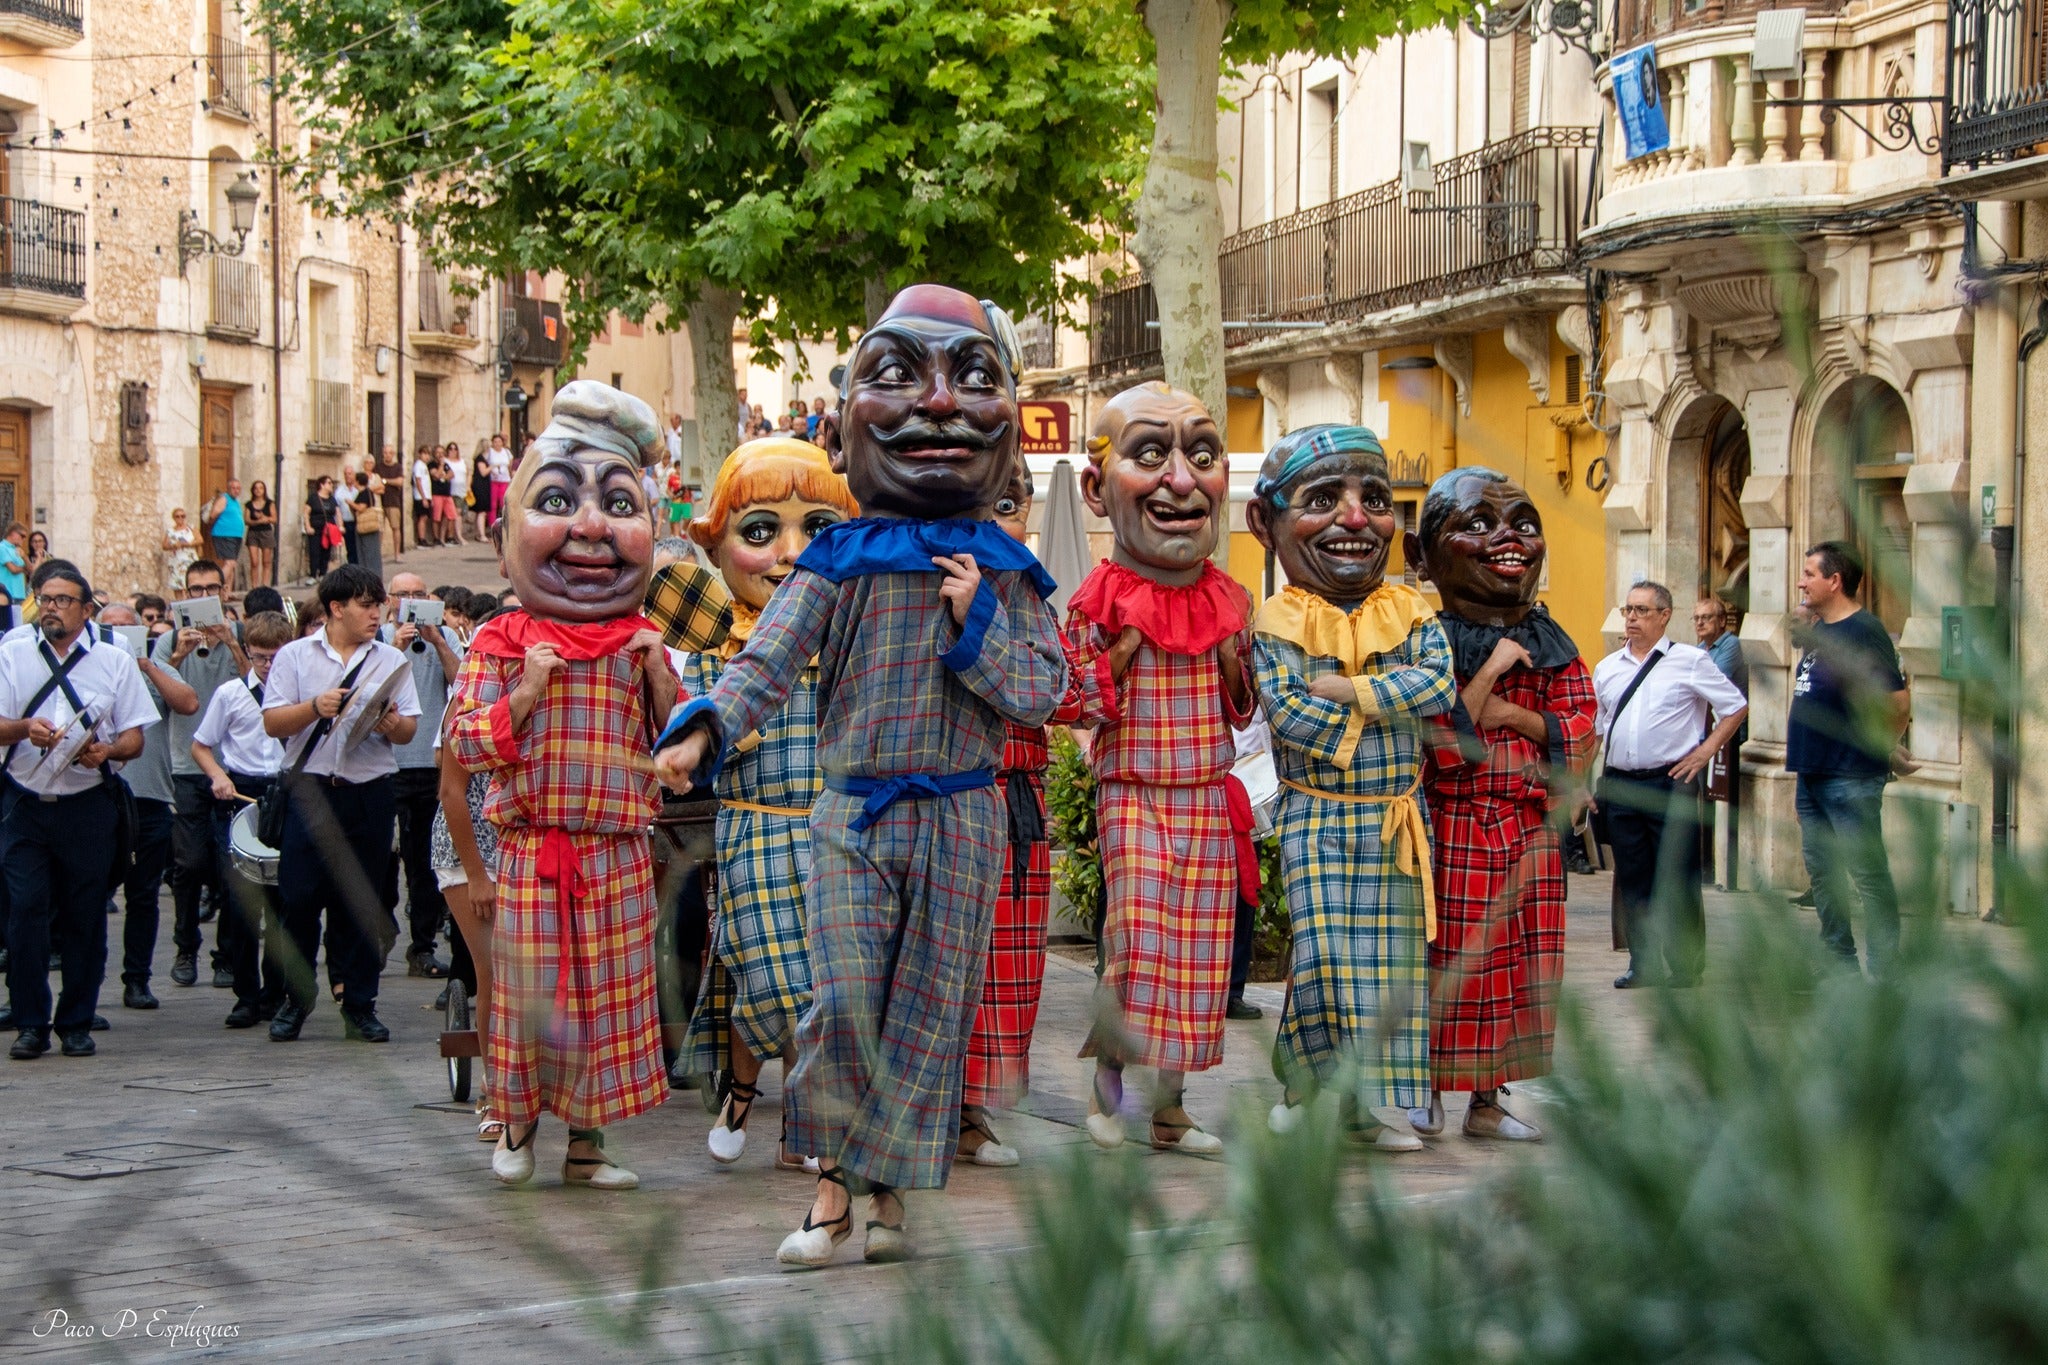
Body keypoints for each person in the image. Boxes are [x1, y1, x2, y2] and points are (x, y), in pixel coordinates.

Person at [655, 287, 1067, 1267]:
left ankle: (886, 1196)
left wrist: (979, 626)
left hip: (962, 817)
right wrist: (699, 732)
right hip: (851, 812)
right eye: (894, 375)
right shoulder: (837, 557)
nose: (934, 404)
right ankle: (830, 1195)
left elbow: (1043, 691)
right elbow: (765, 659)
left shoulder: (1004, 568)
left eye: (971, 378)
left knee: (927, 1016)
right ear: (842, 437)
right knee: (839, 1005)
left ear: (1007, 432)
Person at [448, 382, 679, 1192]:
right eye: (557, 501)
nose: (589, 527)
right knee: (524, 1003)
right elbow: (468, 741)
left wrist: (658, 680)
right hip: (532, 852)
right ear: (509, 536)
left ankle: (589, 1145)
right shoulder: (501, 637)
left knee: (606, 1005)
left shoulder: (640, 639)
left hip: (615, 853)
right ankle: (513, 1128)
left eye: (618, 504)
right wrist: (524, 692)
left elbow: (677, 746)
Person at [1246, 425, 1455, 1150]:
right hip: (1318, 816)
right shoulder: (1277, 620)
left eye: (1374, 497)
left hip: (1399, 819)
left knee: (1388, 971)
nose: (1356, 517)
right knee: (1327, 957)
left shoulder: (1412, 609)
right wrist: (1380, 705)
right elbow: (1289, 710)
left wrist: (1353, 688)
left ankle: (1355, 1108)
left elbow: (1438, 682)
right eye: (1325, 497)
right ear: (1265, 522)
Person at [1066, 382, 1253, 1158]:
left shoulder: (1230, 599)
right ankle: (1108, 1093)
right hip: (1134, 791)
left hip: (1206, 793)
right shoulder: (1098, 598)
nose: (1181, 479)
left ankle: (1170, 1110)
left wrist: (1240, 661)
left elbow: (1242, 710)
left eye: (1200, 455)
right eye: (1153, 455)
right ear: (1099, 489)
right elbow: (1074, 700)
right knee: (1138, 943)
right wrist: (1118, 654)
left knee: (1201, 956)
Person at [675, 437, 857, 1172]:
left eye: (817, 530)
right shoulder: (714, 650)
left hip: (833, 832)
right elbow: (705, 735)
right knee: (774, 976)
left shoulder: (848, 635)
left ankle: (771, 1110)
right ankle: (763, 1102)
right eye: (760, 531)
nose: (791, 552)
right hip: (753, 829)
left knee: (810, 980)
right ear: (715, 543)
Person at [1407, 467, 1597, 1143]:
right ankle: (1423, 1088)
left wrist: (1509, 709)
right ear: (1424, 555)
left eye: (1522, 520)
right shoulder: (1425, 641)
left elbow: (1577, 729)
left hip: (1529, 830)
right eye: (1478, 523)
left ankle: (1487, 1100)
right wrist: (1495, 678)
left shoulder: (1555, 643)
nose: (1508, 537)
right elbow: (1448, 737)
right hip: (1457, 826)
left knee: (1518, 970)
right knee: (1448, 962)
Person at [958, 462, 1081, 1168]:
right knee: (953, 961)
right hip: (957, 793)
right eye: (986, 504)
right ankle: (944, 1109)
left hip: (1020, 797)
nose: (1003, 520)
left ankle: (978, 1108)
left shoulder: (1032, 591)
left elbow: (1059, 691)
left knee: (1010, 964)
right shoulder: (923, 585)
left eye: (1012, 503)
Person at [1, 566, 159, 1059]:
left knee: (85, 915)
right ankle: (30, 1022)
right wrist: (26, 727)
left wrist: (106, 752)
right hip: (24, 802)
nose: (50, 607)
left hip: (88, 804)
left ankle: (75, 1022)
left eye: (62, 600)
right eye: (44, 599)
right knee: (25, 911)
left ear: (86, 610)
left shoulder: (114, 660)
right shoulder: (11, 651)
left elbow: (135, 735)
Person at [261, 564, 422, 1043]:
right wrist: (316, 707)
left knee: (362, 900)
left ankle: (360, 1004)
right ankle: (297, 997)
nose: (377, 614)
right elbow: (273, 722)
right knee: (298, 898)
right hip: (310, 791)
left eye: (379, 605)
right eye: (367, 605)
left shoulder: (390, 661)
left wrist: (391, 725)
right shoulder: (294, 656)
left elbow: (410, 727)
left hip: (369, 792)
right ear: (337, 608)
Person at [1592, 581, 1748, 989]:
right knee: (1633, 877)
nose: (1631, 618)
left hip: (1669, 783)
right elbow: (1597, 730)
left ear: (1664, 616)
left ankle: (1684, 966)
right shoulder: (1607, 668)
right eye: (1628, 610)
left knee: (1678, 877)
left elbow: (1734, 707)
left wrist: (1703, 752)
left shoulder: (1690, 661)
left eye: (1642, 611)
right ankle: (1642, 965)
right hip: (1622, 785)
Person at [1788, 541, 1908, 976]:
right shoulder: (1821, 631)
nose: (1801, 581)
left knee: (1866, 876)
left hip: (1850, 775)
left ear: (1834, 581)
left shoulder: (1864, 631)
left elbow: (1896, 702)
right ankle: (1839, 963)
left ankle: (1885, 971)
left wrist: (1882, 745)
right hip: (1814, 773)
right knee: (1823, 875)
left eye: (1808, 573)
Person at [189, 610, 291, 1028]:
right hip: (239, 795)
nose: (268, 666)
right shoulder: (231, 694)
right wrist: (218, 777)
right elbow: (201, 745)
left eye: (276, 658)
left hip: (284, 794)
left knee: (286, 904)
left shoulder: (297, 697)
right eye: (261, 657)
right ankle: (246, 995)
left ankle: (276, 993)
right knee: (242, 904)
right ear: (247, 652)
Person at [154, 560, 249, 991]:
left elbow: (264, 691)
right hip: (185, 766)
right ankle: (185, 947)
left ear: (225, 593)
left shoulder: (242, 636)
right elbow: (158, 702)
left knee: (233, 868)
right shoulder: (167, 643)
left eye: (211, 588)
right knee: (188, 864)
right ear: (184, 594)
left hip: (234, 767)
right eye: (195, 589)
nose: (203, 595)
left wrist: (231, 643)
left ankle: (226, 956)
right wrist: (176, 657)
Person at [99, 602, 197, 1013]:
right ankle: (85, 983)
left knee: (144, 896)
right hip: (99, 797)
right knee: (88, 894)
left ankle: (137, 979)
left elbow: (188, 703)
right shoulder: (92, 668)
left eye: (128, 628)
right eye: (111, 628)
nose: (121, 634)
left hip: (151, 798)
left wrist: (147, 666)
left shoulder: (156, 668)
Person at [383, 573, 462, 978]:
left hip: (429, 765)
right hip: (386, 763)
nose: (411, 601)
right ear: (389, 600)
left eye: (419, 594)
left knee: (424, 863)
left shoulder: (443, 636)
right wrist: (395, 646)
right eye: (404, 595)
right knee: (380, 861)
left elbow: (462, 684)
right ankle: (378, 935)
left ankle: (422, 946)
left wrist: (439, 641)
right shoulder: (379, 638)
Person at [204, 480, 247, 594]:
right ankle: (214, 586)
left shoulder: (235, 501)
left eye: (238, 488)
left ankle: (227, 593)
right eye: (233, 488)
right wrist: (212, 527)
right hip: (224, 534)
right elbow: (214, 514)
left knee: (231, 565)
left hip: (235, 535)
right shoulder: (224, 498)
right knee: (230, 563)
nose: (236, 490)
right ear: (228, 488)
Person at [375, 443, 408, 561]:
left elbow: (399, 482)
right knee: (379, 529)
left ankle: (397, 554)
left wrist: (384, 481)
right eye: (385, 453)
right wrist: (389, 482)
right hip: (379, 502)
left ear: (393, 454)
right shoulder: (378, 467)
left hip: (393, 501)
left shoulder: (398, 467)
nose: (387, 455)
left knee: (395, 528)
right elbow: (375, 481)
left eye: (389, 453)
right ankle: (377, 555)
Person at [351, 472, 385, 578]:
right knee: (365, 552)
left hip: (367, 527)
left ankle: (372, 576)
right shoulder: (366, 492)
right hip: (364, 526)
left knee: (369, 552)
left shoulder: (364, 493)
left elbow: (361, 508)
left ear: (357, 481)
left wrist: (350, 503)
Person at [304, 477, 339, 578]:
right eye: (329, 483)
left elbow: (337, 513)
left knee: (326, 552)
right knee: (314, 551)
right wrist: (308, 526)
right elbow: (306, 513)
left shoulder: (332, 499)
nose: (331, 485)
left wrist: (340, 526)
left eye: (332, 483)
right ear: (322, 485)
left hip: (328, 530)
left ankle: (323, 573)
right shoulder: (313, 498)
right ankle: (313, 574)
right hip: (315, 529)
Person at [245, 481, 277, 588]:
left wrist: (265, 518)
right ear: (253, 490)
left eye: (261, 488)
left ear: (264, 490)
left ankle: (265, 585)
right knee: (254, 561)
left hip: (266, 532)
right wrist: (257, 521)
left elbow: (274, 519)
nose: (258, 490)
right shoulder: (249, 504)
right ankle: (254, 586)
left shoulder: (270, 503)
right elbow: (247, 520)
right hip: (253, 532)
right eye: (256, 488)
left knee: (266, 561)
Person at [163, 508, 198, 593]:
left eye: (183, 516)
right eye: (177, 516)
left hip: (189, 559)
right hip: (176, 560)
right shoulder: (170, 531)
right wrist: (173, 545)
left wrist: (185, 544)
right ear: (174, 518)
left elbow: (200, 540)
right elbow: (164, 545)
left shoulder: (191, 528)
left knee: (190, 582)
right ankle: (179, 604)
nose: (180, 518)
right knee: (177, 585)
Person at [430, 455, 459, 547]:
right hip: (437, 494)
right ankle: (436, 539)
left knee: (452, 515)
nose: (439, 456)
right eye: (437, 453)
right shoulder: (432, 465)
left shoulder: (446, 465)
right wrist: (441, 467)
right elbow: (436, 475)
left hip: (447, 494)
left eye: (441, 453)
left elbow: (452, 474)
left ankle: (450, 538)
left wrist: (443, 477)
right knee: (436, 517)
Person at [445, 442, 470, 546]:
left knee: (458, 513)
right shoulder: (446, 462)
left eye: (455, 449)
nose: (453, 451)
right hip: (450, 490)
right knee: (453, 513)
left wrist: (468, 486)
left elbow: (468, 473)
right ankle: (454, 536)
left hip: (461, 491)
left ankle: (457, 535)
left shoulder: (462, 461)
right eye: (450, 448)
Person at [336, 460, 360, 567]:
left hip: (358, 521)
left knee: (358, 546)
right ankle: (352, 567)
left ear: (354, 474)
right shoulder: (339, 491)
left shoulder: (358, 489)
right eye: (345, 474)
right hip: (346, 522)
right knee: (350, 547)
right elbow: (337, 508)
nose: (347, 476)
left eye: (349, 474)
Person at [486, 432, 513, 525]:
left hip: (504, 480)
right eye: (495, 441)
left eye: (499, 441)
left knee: (503, 503)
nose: (497, 443)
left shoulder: (506, 452)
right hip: (494, 480)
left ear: (502, 442)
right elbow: (487, 464)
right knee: (493, 504)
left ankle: (505, 524)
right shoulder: (490, 452)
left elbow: (510, 465)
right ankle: (492, 525)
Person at [0, 523, 27, 609]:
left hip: (19, 593)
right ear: (13, 533)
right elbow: (13, 569)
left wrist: (24, 557)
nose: (23, 539)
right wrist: (25, 569)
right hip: (7, 593)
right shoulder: (2, 547)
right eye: (22, 536)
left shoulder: (16, 549)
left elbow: (31, 569)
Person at [471, 448, 494, 542]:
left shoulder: (481, 459)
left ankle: (478, 533)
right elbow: (483, 472)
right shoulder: (480, 459)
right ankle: (482, 535)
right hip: (480, 487)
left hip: (482, 486)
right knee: (482, 512)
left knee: (480, 512)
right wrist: (492, 467)